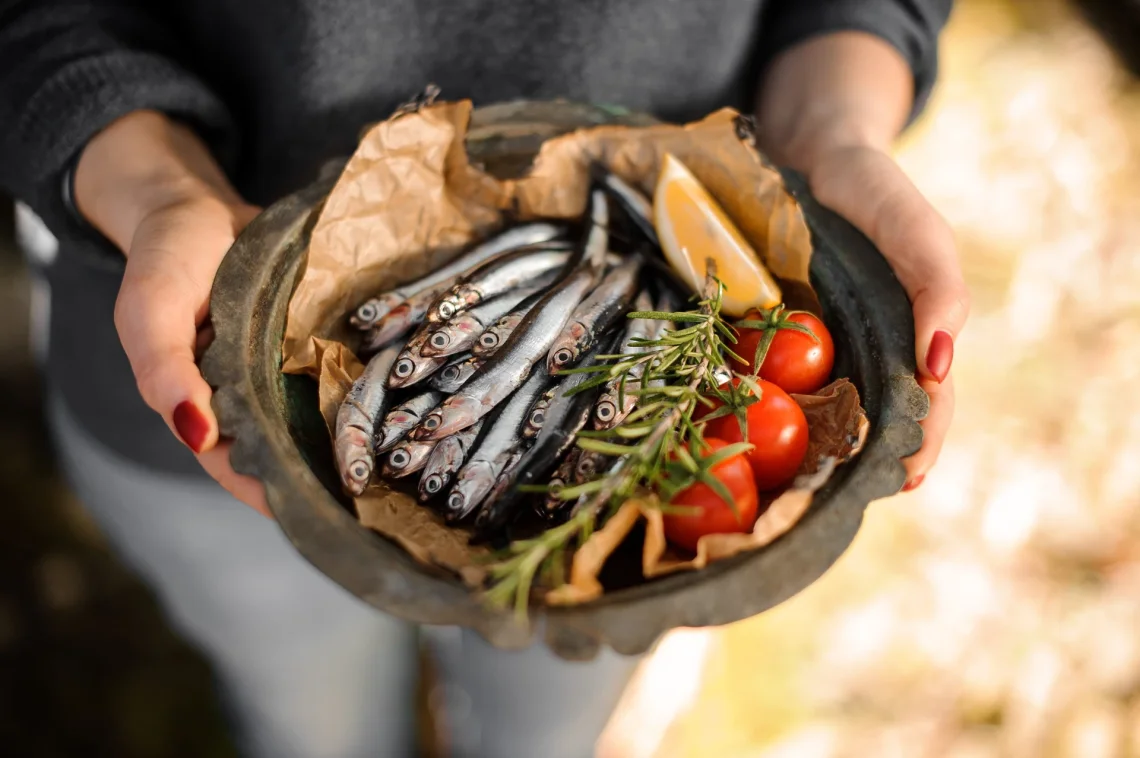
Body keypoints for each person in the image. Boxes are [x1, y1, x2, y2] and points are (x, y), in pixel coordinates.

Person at [0, 1, 968, 756]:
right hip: (195, 387)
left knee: (548, 721)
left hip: (680, 233)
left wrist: (832, 128)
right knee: (307, 717)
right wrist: (162, 187)